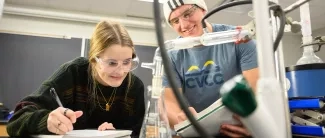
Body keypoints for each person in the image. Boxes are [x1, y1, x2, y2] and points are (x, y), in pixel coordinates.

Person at [6, 20, 145, 137]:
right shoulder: (73, 73)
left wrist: (119, 134)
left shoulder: (134, 87)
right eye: (112, 63)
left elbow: (138, 133)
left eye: (127, 62)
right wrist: (46, 120)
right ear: (94, 60)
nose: (121, 71)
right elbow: (16, 121)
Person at [162, 0, 259, 137]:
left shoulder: (239, 39)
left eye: (188, 14)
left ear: (203, 10)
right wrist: (180, 117)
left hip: (238, 128)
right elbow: (169, 102)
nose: (184, 25)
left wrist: (253, 125)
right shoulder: (172, 55)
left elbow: (256, 91)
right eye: (175, 21)